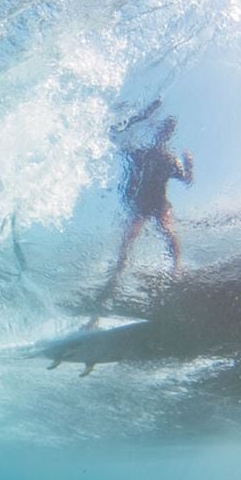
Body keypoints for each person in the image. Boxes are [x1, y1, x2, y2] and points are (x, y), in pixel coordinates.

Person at [87, 117, 193, 329]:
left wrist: (189, 164)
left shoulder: (165, 157)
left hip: (157, 203)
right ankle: (118, 272)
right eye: (163, 131)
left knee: (168, 235)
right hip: (143, 204)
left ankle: (176, 271)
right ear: (158, 134)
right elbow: (119, 144)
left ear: (166, 136)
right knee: (129, 244)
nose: (163, 135)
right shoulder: (145, 154)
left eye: (166, 132)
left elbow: (186, 179)